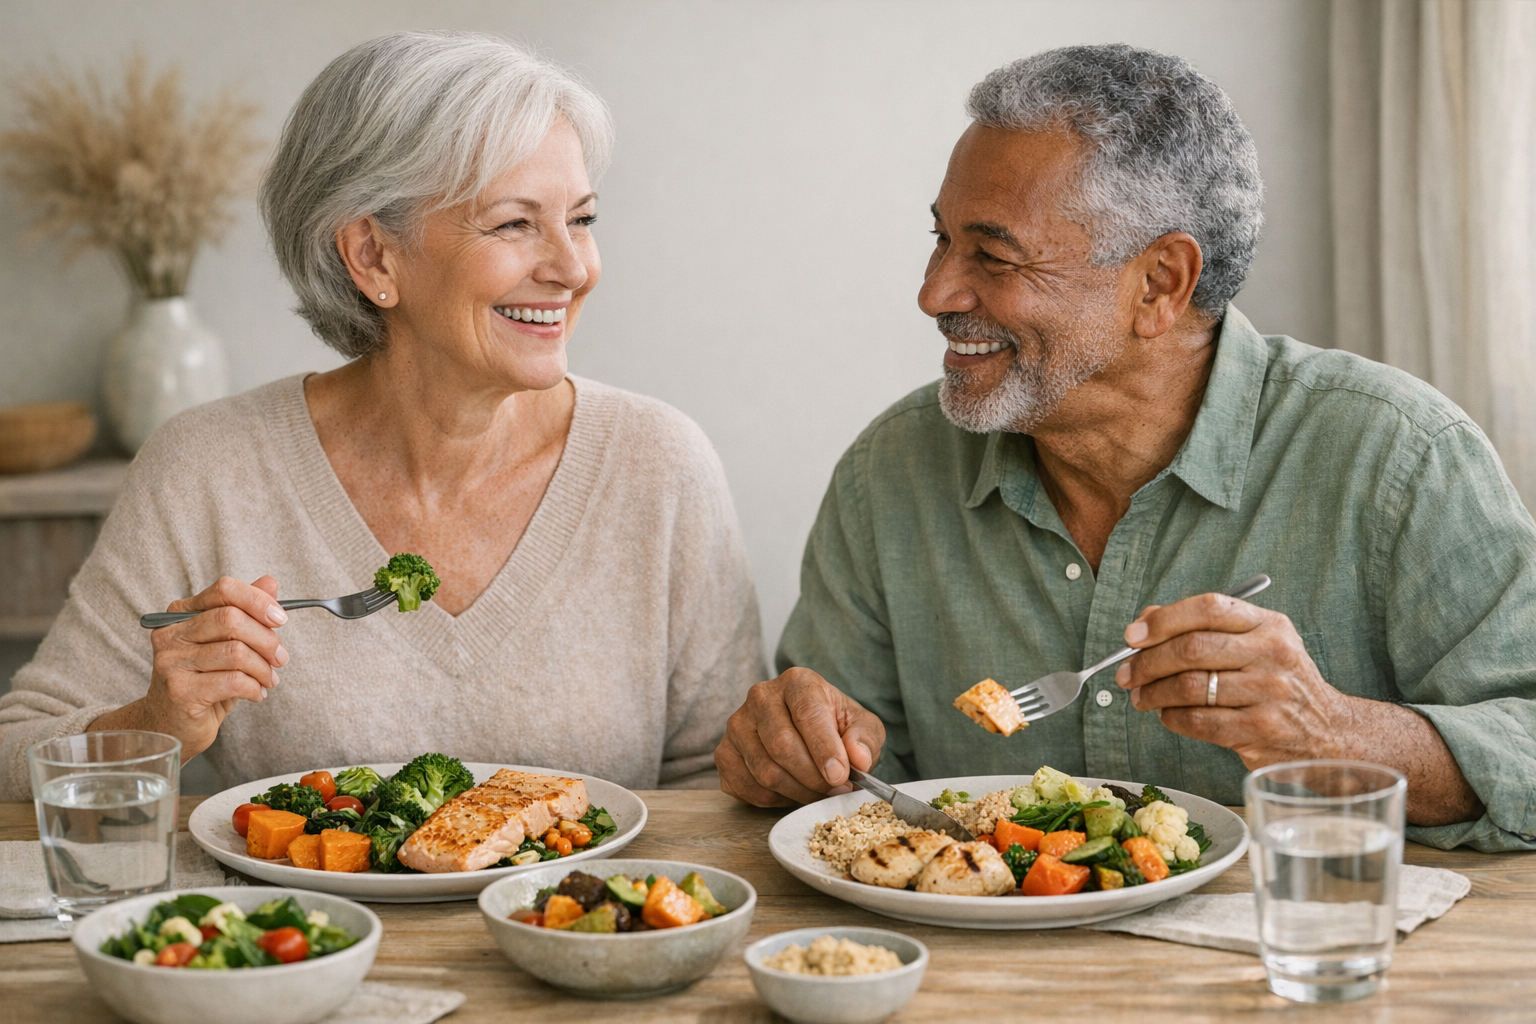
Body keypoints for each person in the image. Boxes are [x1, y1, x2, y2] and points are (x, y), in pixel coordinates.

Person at [716, 43, 1536, 852]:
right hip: (975, 980)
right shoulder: (888, 474)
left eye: (994, 256)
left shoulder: (1399, 457)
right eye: (941, 240)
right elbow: (845, 792)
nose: (934, 292)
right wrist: (795, 751)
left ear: (1159, 284)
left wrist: (1334, 731)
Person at [0, 31, 765, 798]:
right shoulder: (209, 467)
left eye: (582, 219)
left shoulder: (659, 463)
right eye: (514, 224)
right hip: (305, 920)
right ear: (372, 257)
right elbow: (16, 752)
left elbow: (728, 780)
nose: (573, 268)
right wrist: (157, 722)